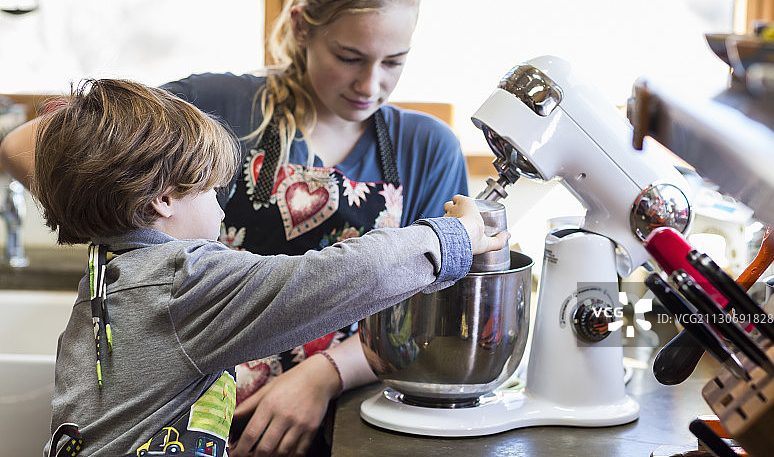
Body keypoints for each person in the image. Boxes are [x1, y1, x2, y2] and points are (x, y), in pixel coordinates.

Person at [26, 78, 506, 457]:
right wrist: (456, 235)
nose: (221, 209)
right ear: (164, 199)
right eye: (212, 190)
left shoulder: (108, 273)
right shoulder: (181, 282)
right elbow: (342, 277)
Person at [157, 0, 470, 457]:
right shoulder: (220, 107)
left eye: (394, 61)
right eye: (349, 57)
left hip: (351, 421)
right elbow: (29, 145)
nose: (371, 84)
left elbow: (433, 311)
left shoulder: (427, 148)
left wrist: (322, 376)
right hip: (192, 416)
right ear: (302, 27)